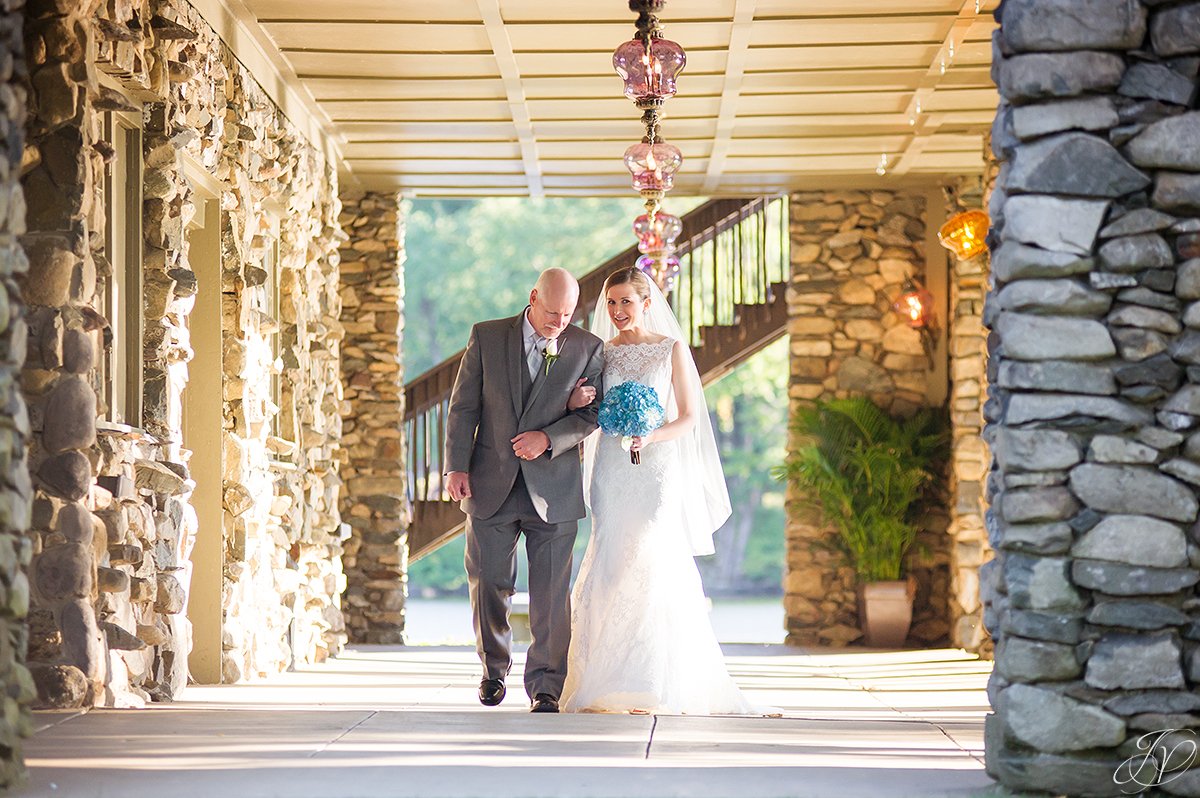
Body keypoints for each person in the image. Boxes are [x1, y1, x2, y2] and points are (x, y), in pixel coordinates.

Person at [560, 266, 753, 715]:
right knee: (610, 559)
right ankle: (605, 679)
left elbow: (686, 416)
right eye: (611, 302)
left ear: (647, 303)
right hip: (610, 464)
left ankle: (654, 679)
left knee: (650, 557)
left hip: (655, 466)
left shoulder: (670, 350)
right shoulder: (600, 352)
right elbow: (582, 403)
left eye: (626, 301)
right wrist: (578, 403)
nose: (618, 310)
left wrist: (650, 436)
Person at [444, 267, 605, 713]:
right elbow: (463, 408)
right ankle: (493, 670)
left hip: (554, 488)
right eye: (552, 311)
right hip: (489, 482)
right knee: (489, 583)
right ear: (533, 297)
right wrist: (455, 467)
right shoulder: (487, 336)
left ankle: (547, 686)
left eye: (568, 313)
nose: (559, 321)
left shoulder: (588, 347)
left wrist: (549, 438)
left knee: (552, 592)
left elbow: (592, 416)